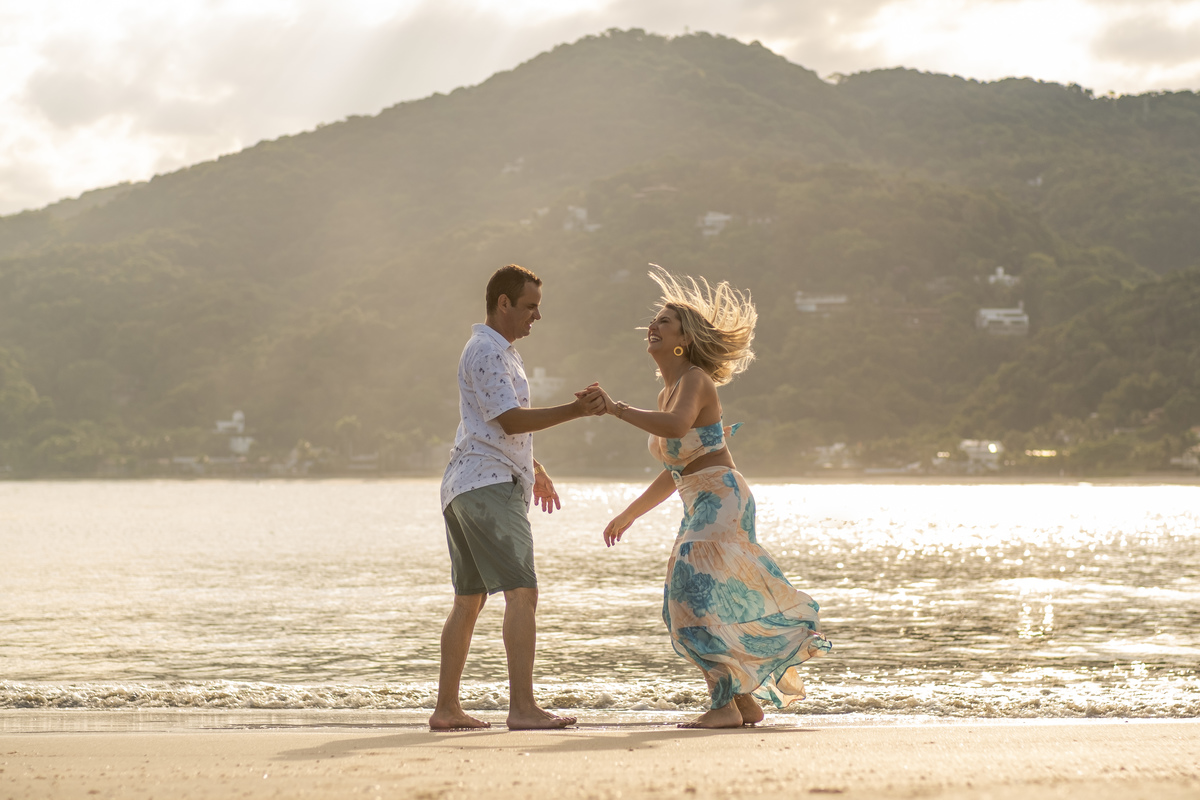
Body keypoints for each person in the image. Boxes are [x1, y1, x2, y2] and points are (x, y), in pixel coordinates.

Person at [593, 266, 832, 728]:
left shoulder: (695, 380)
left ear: (684, 339)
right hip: (698, 501)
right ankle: (741, 702)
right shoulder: (666, 392)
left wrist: (616, 409)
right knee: (696, 600)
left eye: (665, 322)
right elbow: (675, 470)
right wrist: (629, 514)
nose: (654, 326)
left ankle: (722, 706)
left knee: (691, 596)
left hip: (722, 498)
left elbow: (677, 428)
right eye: (654, 320)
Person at [430, 264, 604, 731]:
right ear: (503, 303)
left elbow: (486, 424)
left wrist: (537, 468)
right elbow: (508, 420)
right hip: (488, 485)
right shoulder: (487, 350)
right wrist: (576, 410)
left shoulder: (497, 352)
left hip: (466, 484)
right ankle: (523, 708)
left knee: (468, 600)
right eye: (530, 306)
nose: (537, 316)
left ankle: (446, 709)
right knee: (522, 593)